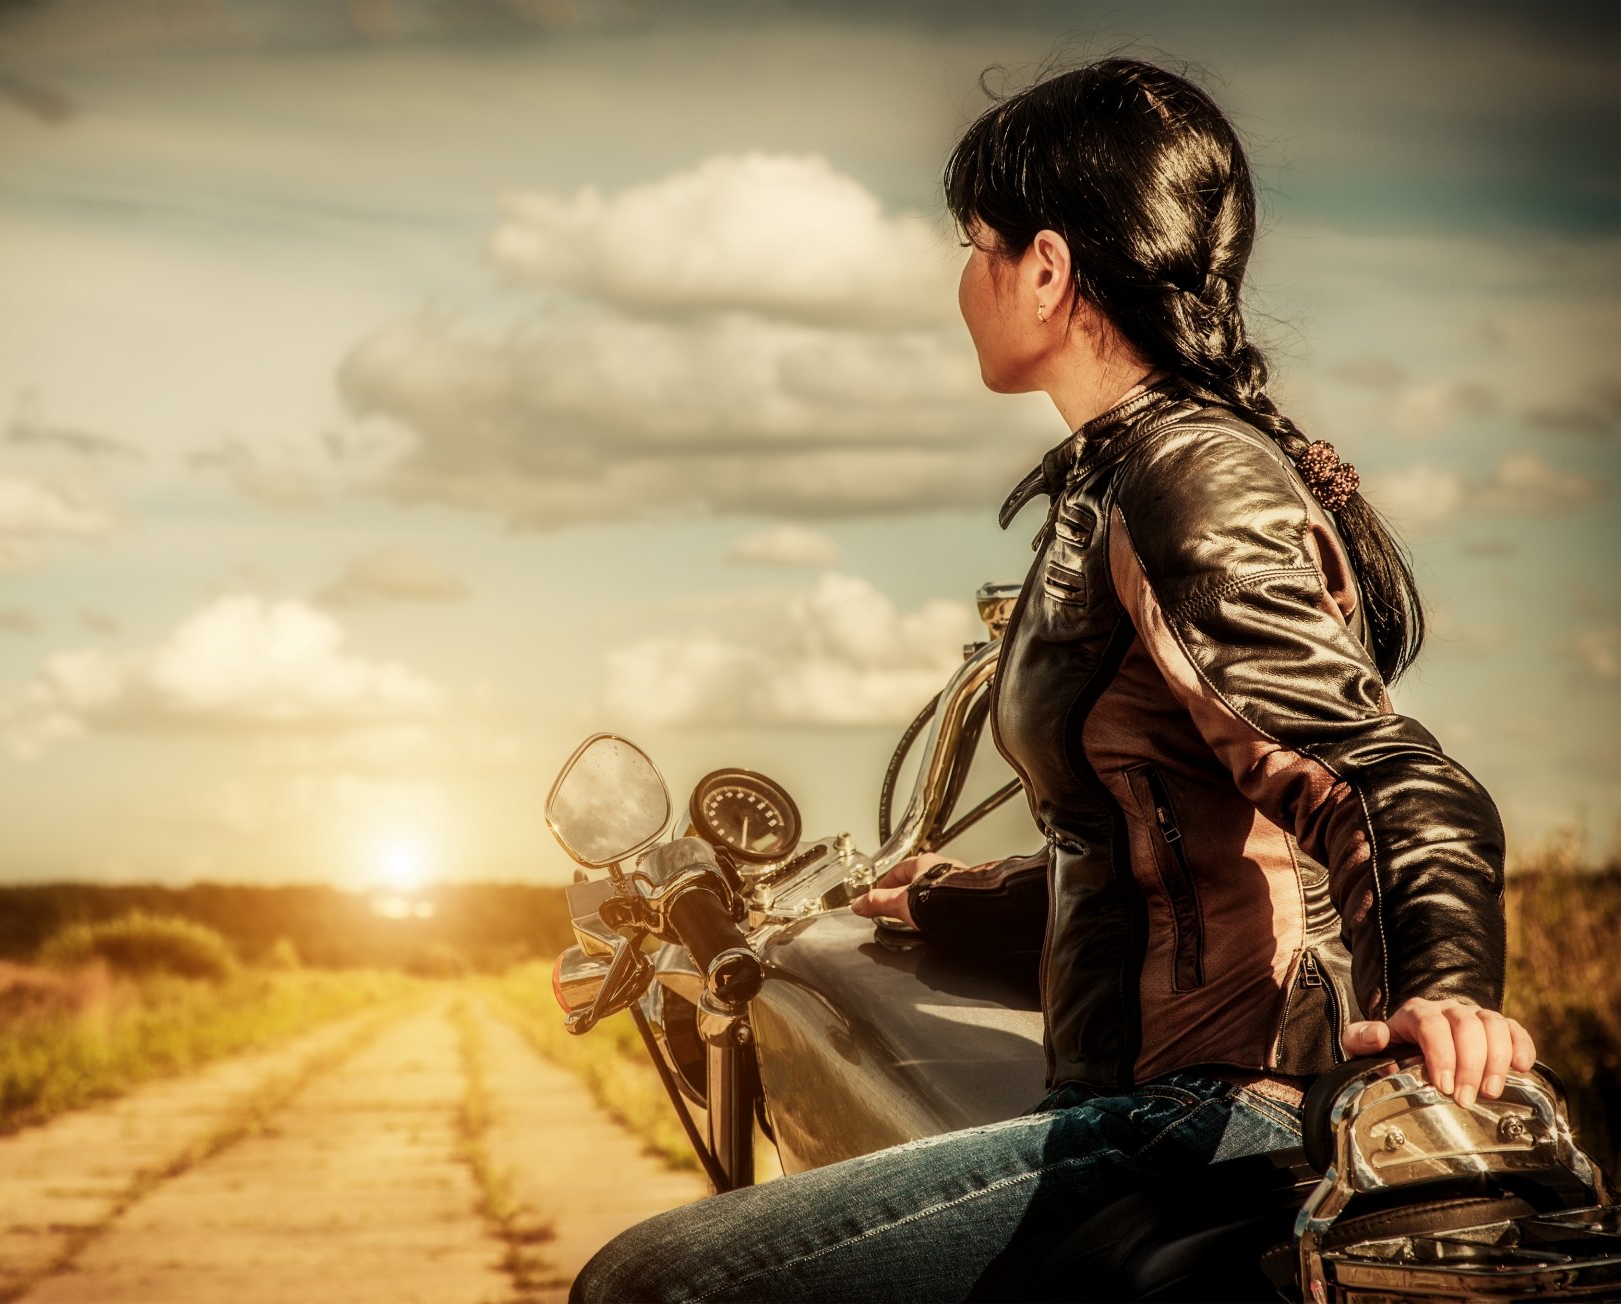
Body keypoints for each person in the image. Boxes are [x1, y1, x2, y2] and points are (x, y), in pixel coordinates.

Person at [570, 57, 1534, 1303]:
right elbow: (1176, 854)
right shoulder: (1119, 472)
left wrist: (1443, 993)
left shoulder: (1190, 479)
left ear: (1047, 265)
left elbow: (1380, 773)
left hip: (1209, 1113)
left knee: (648, 1284)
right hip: (1148, 1093)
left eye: (978, 242)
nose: (963, 278)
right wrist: (945, 902)